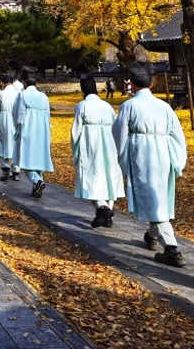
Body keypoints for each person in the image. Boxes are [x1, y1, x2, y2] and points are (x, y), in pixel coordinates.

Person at [113, 63, 187, 267]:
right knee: (157, 196)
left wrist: (122, 157)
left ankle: (172, 248)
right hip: (163, 153)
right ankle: (152, 235)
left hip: (141, 154)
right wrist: (177, 159)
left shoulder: (129, 106)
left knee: (150, 197)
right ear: (151, 85)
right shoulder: (164, 106)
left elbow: (120, 134)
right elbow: (177, 134)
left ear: (133, 85)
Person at [73, 76, 125, 228]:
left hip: (90, 144)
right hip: (108, 144)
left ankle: (103, 208)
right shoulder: (107, 106)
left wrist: (75, 150)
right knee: (108, 179)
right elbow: (116, 126)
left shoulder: (82, 106)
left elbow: (75, 131)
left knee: (89, 178)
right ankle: (107, 216)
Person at [13, 70, 54, 198]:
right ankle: (36, 188)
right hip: (42, 131)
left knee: (26, 160)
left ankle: (37, 181)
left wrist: (18, 127)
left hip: (28, 130)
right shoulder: (44, 97)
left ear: (24, 83)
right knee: (38, 160)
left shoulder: (22, 95)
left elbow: (18, 116)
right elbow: (48, 116)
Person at [0, 73, 22, 181]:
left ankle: (5, 169)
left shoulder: (1, 94)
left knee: (2, 144)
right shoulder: (18, 94)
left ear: (3, 82)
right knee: (16, 145)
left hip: (4, 119)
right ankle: (16, 170)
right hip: (15, 120)